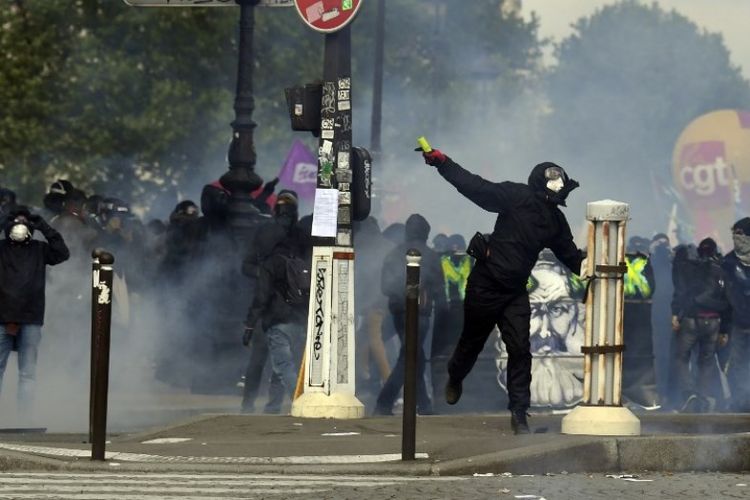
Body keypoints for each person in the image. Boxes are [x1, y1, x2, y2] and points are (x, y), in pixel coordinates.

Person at [420, 147, 583, 434]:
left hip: (514, 292)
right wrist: (443, 163)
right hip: (486, 283)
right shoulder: (517, 196)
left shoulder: (556, 221)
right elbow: (475, 187)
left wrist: (602, 269)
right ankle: (455, 376)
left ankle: (519, 414)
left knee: (521, 349)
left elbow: (572, 257)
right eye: (554, 180)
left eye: (561, 181)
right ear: (541, 182)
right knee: (471, 343)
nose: (559, 186)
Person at [242, 191, 308, 414]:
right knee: (284, 360)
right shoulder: (301, 234)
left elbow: (247, 266)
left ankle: (251, 405)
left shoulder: (266, 232)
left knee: (264, 359)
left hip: (270, 306)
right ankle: (272, 405)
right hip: (295, 308)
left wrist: (266, 275)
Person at [0, 208, 70, 417]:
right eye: (15, 221)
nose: (19, 224)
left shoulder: (40, 249)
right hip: (2, 318)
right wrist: (2, 220)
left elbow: (62, 253)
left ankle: (24, 418)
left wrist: (44, 226)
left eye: (24, 220)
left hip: (31, 319)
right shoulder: (1, 248)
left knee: (27, 373)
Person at [375, 213, 444, 416]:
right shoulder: (430, 256)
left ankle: (424, 404)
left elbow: (385, 287)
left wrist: (401, 293)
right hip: (420, 314)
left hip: (397, 313)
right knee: (409, 358)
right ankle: (383, 403)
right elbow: (440, 289)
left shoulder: (393, 254)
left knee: (414, 356)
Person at [671, 237, 728, 413]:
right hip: (714, 321)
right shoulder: (721, 269)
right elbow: (727, 300)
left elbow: (682, 292)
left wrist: (675, 314)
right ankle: (703, 397)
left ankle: (689, 394)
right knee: (706, 361)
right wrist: (724, 330)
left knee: (681, 357)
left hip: (691, 319)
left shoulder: (691, 267)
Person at [721, 218, 750, 412]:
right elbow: (723, 298)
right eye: (734, 234)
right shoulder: (728, 263)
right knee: (736, 364)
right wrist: (723, 328)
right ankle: (740, 402)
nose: (736, 238)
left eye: (741, 234)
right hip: (737, 325)